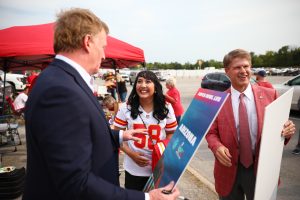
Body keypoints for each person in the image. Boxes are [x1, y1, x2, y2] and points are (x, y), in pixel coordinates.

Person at [23, 8, 179, 200]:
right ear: (87, 42)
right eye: (103, 46)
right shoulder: (61, 91)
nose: (104, 55)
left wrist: (119, 135)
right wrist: (149, 198)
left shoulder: (62, 80)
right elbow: (76, 181)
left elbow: (80, 135)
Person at [205, 49, 295, 200]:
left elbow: (281, 129)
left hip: (260, 169)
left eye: (246, 66)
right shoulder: (217, 100)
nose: (243, 71)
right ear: (227, 71)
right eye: (237, 67)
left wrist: (287, 131)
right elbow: (211, 133)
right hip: (227, 171)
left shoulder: (270, 95)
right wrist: (217, 146)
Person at [113, 70, 178, 191]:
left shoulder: (166, 107)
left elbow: (172, 133)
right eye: (139, 81)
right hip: (133, 170)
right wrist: (132, 154)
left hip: (159, 169)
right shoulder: (126, 107)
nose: (143, 85)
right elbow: (117, 136)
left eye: (148, 82)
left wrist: (161, 154)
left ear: (156, 87)